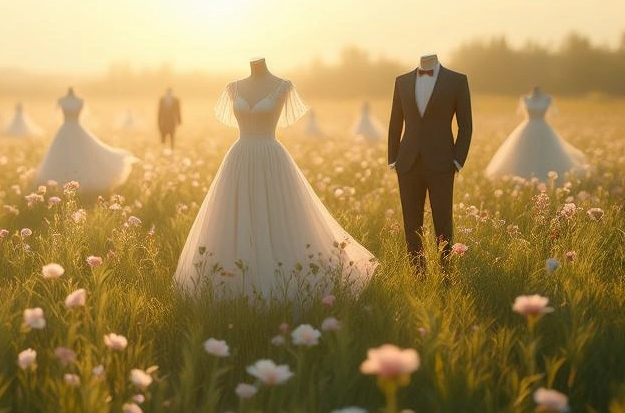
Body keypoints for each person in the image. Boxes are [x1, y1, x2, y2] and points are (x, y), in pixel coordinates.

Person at [176, 59, 376, 301]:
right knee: (234, 216)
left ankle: (282, 283)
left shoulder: (283, 86)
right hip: (239, 158)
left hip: (271, 158)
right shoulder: (233, 88)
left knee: (275, 215)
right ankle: (231, 287)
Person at [388, 53, 473, 273]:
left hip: (443, 162)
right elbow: (395, 122)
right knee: (411, 223)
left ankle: (446, 272)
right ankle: (418, 273)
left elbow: (466, 125)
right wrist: (392, 158)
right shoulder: (402, 81)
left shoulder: (457, 81)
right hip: (407, 163)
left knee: (443, 223)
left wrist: (457, 160)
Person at [33, 87, 135, 193]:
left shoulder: (79, 100)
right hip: (66, 130)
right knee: (64, 155)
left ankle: (78, 183)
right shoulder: (62, 100)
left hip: (73, 129)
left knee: (81, 156)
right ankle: (63, 183)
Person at [484, 86, 586, 181]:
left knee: (545, 152)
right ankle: (522, 177)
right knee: (524, 152)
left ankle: (546, 176)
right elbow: (520, 112)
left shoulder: (547, 99)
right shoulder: (525, 98)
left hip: (543, 127)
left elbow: (553, 113)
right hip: (528, 127)